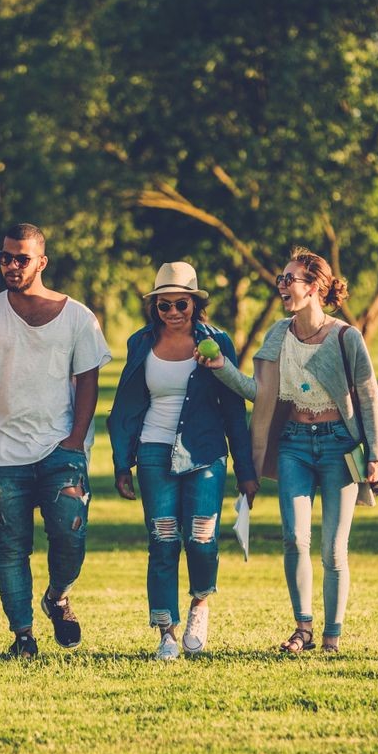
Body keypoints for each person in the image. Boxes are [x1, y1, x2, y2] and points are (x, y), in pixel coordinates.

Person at [198, 248, 378, 654]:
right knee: (294, 539)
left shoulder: (345, 337)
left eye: (289, 279)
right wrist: (221, 370)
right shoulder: (278, 334)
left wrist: (376, 454)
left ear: (314, 287)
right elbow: (259, 393)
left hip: (340, 446)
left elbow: (368, 396)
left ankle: (332, 637)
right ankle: (303, 629)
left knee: (334, 550)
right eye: (280, 279)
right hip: (293, 446)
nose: (281, 285)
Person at [0, 223, 111, 659]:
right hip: (2, 452)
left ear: (42, 262)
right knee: (11, 548)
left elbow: (89, 382)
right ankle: (23, 636)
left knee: (70, 539)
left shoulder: (79, 317)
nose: (13, 265)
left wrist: (76, 439)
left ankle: (57, 597)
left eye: (22, 258)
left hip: (62, 450)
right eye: (6, 257)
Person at [108, 262, 259, 661]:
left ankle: (200, 605)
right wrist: (123, 464)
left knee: (201, 537)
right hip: (153, 450)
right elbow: (126, 405)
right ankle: (166, 633)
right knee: (163, 540)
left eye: (181, 304)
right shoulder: (140, 343)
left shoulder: (217, 341)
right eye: (164, 305)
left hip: (205, 450)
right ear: (154, 307)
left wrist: (246, 471)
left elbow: (233, 408)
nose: (173, 312)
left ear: (195, 304)